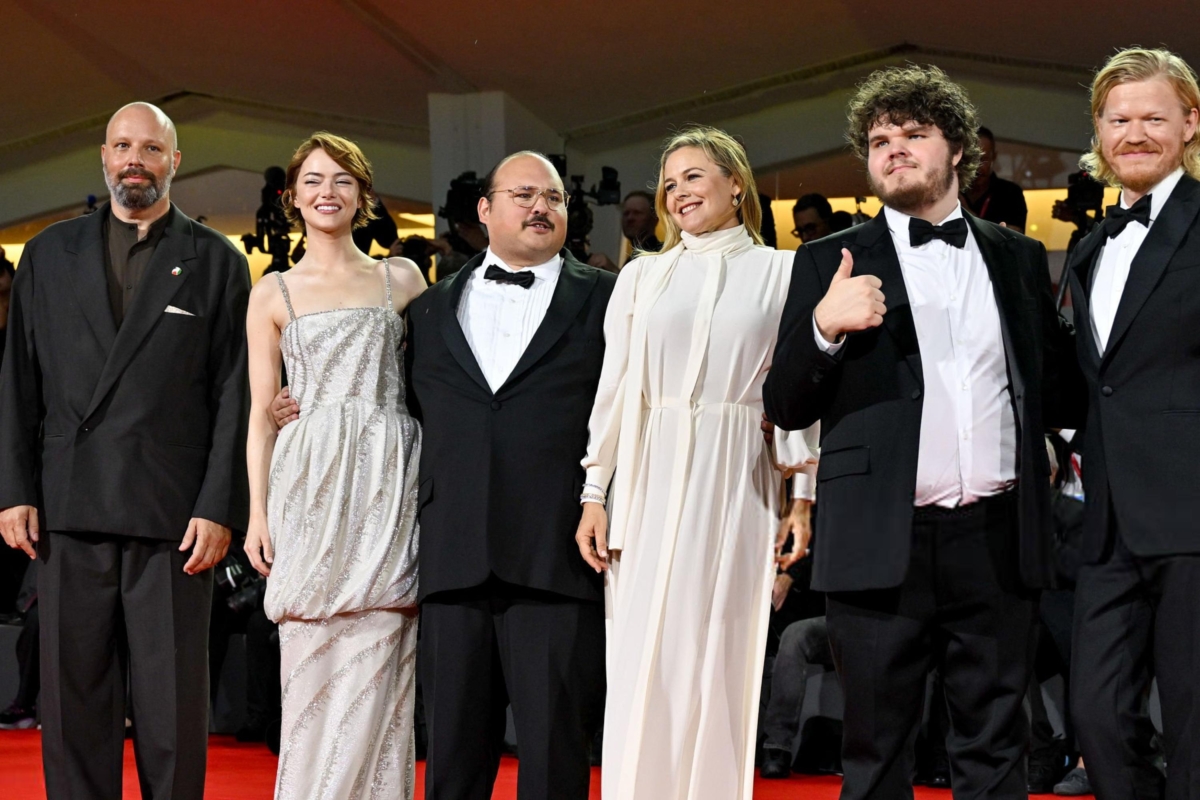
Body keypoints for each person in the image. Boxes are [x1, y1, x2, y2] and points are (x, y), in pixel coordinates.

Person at [764, 66, 1083, 799]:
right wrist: (823, 327)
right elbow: (785, 403)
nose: (894, 149)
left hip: (998, 540)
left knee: (996, 750)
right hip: (881, 541)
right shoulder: (826, 260)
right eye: (879, 139)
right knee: (875, 756)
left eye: (913, 133)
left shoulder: (1017, 255)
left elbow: (1056, 388)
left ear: (959, 149)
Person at [275, 150, 614, 799]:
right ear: (485, 211)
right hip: (450, 561)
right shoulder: (428, 309)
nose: (540, 207)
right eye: (522, 194)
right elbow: (378, 406)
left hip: (556, 557)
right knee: (453, 763)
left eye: (553, 197)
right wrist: (285, 406)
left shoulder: (607, 297)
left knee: (554, 758)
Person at [0, 102, 250, 800]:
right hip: (68, 507)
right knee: (73, 705)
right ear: (104, 157)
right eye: (121, 146)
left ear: (175, 161)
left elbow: (235, 393)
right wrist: (14, 488)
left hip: (172, 520)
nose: (133, 159)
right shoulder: (49, 253)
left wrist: (219, 506)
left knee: (173, 708)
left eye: (150, 148)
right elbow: (18, 378)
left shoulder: (218, 262)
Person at [575, 125, 819, 800]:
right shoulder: (640, 276)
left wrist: (803, 494)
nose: (678, 192)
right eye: (670, 181)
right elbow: (617, 390)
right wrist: (596, 491)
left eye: (694, 176)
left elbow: (796, 391)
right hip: (647, 475)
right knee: (639, 656)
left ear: (736, 183)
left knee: (721, 653)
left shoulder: (783, 272)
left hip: (740, 472)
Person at [243, 133, 426, 800]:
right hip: (309, 482)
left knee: (383, 644)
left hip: (386, 477)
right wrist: (257, 514)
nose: (329, 191)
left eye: (343, 180)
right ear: (293, 197)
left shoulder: (401, 278)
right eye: (315, 180)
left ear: (364, 195)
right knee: (310, 661)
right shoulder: (272, 293)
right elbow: (262, 416)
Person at [1063, 47, 1200, 800]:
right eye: (1120, 119)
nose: (1136, 132)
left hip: (1192, 517)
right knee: (1098, 714)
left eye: (1153, 116)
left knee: (1193, 725)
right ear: (1099, 132)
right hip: (1109, 522)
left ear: (1190, 123)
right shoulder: (1090, 248)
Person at [962, 126, 1028, 232]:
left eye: (983, 159)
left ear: (994, 157)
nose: (977, 166)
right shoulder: (951, 191)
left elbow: (1015, 238)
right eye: (972, 159)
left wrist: (968, 213)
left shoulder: (1010, 193)